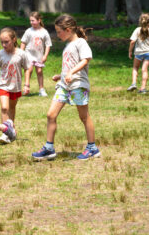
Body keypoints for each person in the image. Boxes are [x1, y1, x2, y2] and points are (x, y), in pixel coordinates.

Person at [32, 14, 100, 161]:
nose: (57, 35)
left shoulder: (80, 42)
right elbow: (71, 64)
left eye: (58, 31)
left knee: (84, 116)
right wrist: (61, 75)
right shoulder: (68, 45)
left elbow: (85, 60)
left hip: (78, 85)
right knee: (51, 114)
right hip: (64, 85)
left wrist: (71, 72)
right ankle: (49, 148)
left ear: (68, 29)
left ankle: (92, 148)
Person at [0, 28, 32, 144]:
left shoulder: (21, 54)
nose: (4, 45)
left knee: (12, 108)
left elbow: (27, 69)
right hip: (3, 85)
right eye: (2, 42)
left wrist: (27, 84)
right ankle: (5, 132)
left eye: (6, 42)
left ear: (14, 40)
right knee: (4, 108)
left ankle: (11, 130)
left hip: (16, 86)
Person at [21, 11, 52, 97]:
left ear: (39, 20)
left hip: (39, 56)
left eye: (33, 20)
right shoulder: (28, 31)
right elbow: (23, 42)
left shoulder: (44, 32)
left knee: (39, 71)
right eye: (30, 20)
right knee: (29, 70)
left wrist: (45, 55)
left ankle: (41, 89)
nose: (31, 22)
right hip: (29, 54)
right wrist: (21, 53)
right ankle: (26, 87)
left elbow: (48, 45)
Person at [127, 13, 149, 94]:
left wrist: (130, 51)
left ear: (140, 21)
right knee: (144, 70)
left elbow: (132, 42)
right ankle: (143, 88)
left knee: (135, 68)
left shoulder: (137, 30)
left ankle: (133, 83)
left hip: (138, 53)